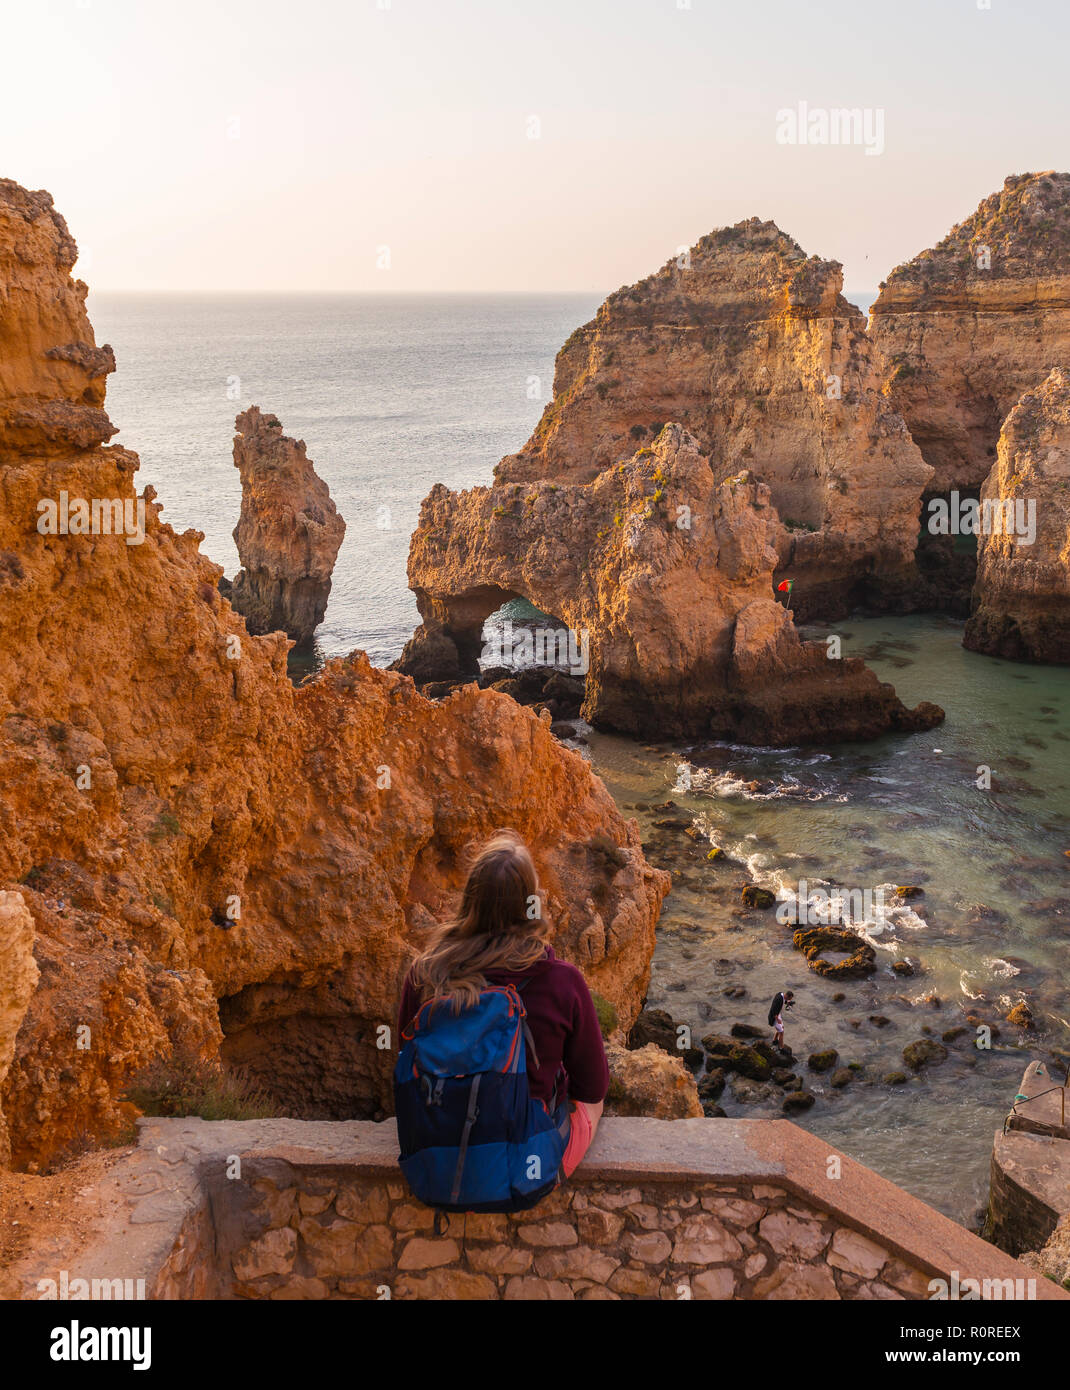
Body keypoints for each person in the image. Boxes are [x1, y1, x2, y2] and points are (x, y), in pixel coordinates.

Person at [397, 829, 608, 1183]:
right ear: (530, 903)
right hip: (524, 1169)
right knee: (593, 1105)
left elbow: (405, 1058)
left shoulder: (424, 974)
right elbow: (593, 1085)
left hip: (439, 1159)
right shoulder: (562, 981)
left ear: (470, 901)